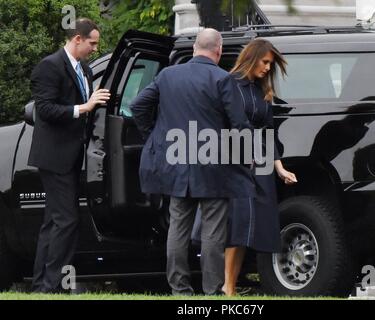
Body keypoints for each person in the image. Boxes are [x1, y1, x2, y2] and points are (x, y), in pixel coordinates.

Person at [130, 28, 255, 295]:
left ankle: (179, 289)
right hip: (213, 164)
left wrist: (154, 136)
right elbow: (239, 124)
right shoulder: (222, 79)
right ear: (218, 51)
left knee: (178, 227)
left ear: (195, 48)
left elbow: (138, 105)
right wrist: (247, 157)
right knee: (213, 230)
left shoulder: (167, 75)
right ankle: (212, 290)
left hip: (175, 162)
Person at [28, 18, 110, 293]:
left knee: (54, 221)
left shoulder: (85, 70)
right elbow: (46, 110)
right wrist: (84, 107)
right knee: (67, 220)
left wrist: (93, 102)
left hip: (73, 157)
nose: (95, 49)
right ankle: (52, 286)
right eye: (92, 43)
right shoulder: (49, 67)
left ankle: (42, 285)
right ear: (77, 39)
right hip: (54, 157)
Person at [222, 38, 298, 296]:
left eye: (271, 64)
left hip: (260, 162)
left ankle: (229, 285)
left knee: (250, 226)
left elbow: (269, 132)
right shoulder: (228, 84)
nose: (268, 68)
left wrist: (279, 167)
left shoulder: (262, 91)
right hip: (232, 161)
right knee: (237, 222)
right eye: (265, 62)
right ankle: (227, 286)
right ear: (252, 57)